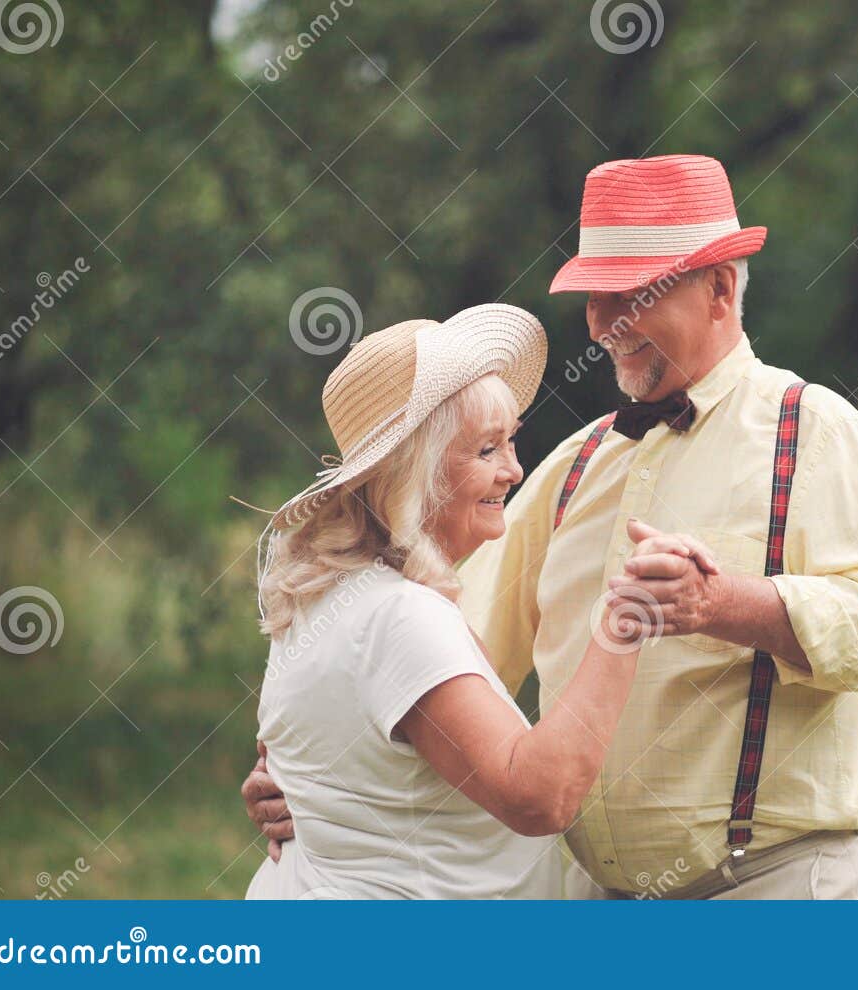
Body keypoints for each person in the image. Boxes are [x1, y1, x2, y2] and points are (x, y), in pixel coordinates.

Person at [246, 154, 858, 899]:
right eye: (594, 296)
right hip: (592, 899)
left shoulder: (811, 431)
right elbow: (437, 652)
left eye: (632, 294)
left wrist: (726, 606)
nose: (600, 323)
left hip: (776, 893)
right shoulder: (572, 466)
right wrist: (307, 769)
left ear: (720, 288)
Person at [242, 304, 715, 898]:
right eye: (486, 451)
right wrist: (625, 617)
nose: (514, 470)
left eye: (510, 443)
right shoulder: (399, 616)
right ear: (412, 472)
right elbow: (542, 797)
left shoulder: (324, 597)